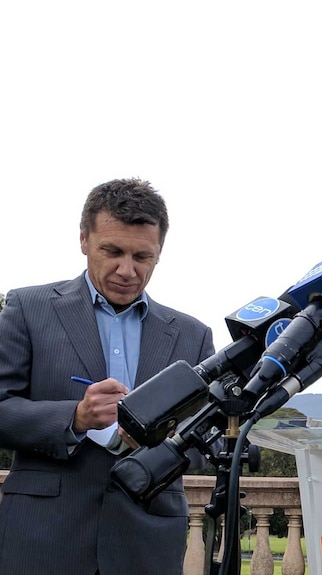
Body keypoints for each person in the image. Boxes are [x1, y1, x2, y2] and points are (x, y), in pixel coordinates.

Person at [0, 178, 215, 575]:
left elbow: (208, 440)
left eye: (142, 256)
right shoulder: (27, 308)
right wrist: (75, 418)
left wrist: (161, 442)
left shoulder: (193, 335)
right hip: (42, 539)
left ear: (159, 252)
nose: (127, 270)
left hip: (147, 543)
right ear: (84, 239)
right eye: (112, 251)